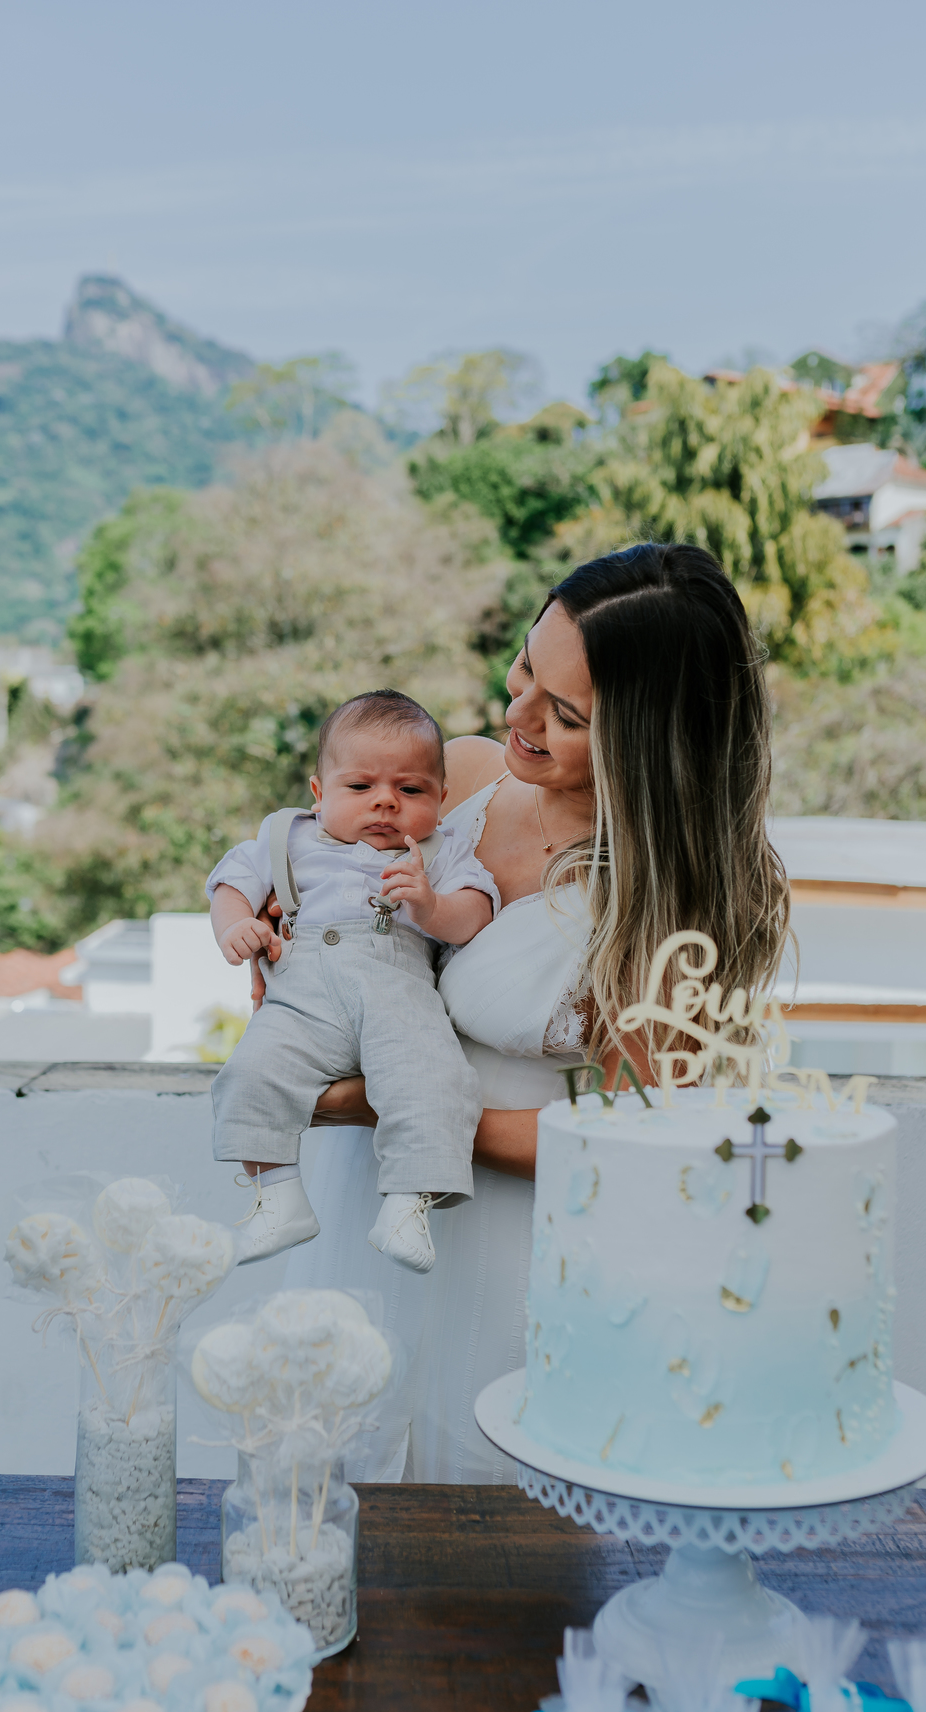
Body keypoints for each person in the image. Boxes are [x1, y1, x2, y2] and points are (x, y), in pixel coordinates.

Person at [281, 544, 792, 1481]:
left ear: (649, 741)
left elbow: (633, 1138)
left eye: (563, 715)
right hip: (368, 1203)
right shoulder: (461, 781)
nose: (516, 715)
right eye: (525, 666)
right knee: (321, 1495)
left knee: (481, 1557)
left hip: (510, 1251)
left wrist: (392, 1108)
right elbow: (324, 911)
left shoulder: (668, 907)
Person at [207, 689, 499, 1272]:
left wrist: (431, 906)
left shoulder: (440, 853)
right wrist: (236, 924)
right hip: (302, 998)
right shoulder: (285, 839)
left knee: (432, 1081)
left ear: (441, 799)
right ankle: (278, 1196)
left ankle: (408, 1205)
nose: (386, 803)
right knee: (250, 1072)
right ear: (320, 795)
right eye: (361, 788)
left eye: (410, 790)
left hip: (399, 997)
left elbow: (478, 913)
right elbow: (230, 881)